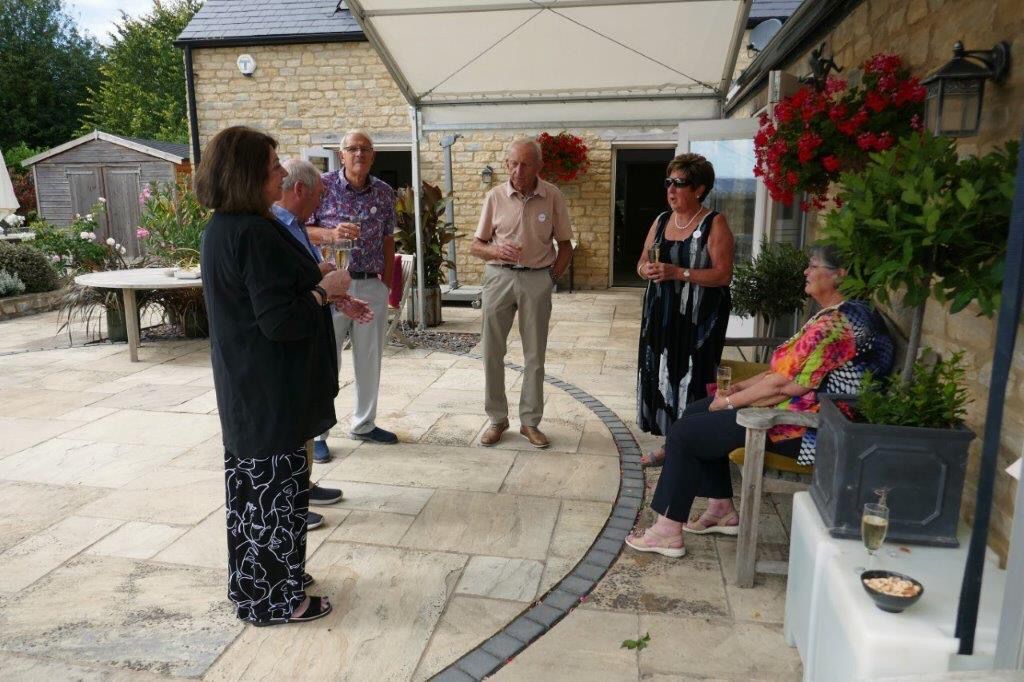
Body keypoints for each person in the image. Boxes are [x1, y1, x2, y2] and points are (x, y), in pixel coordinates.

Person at [198, 126, 372, 626]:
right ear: (250, 173)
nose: (281, 171)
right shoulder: (251, 232)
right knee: (273, 498)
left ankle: (261, 583)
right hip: (269, 391)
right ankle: (279, 601)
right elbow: (279, 320)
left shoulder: (229, 227)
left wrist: (327, 291)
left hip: (252, 389)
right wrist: (327, 290)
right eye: (274, 164)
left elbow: (272, 294)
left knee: (255, 500)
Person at [626, 245, 894, 557]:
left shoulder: (839, 325)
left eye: (813, 266)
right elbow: (781, 372)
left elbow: (786, 386)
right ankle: (721, 509)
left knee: (688, 433)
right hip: (798, 410)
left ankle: (667, 531)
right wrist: (737, 389)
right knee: (698, 409)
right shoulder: (837, 315)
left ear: (840, 275)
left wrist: (730, 403)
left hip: (810, 428)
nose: (806, 272)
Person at [471, 137, 573, 449]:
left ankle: (530, 422)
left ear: (539, 166)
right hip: (499, 277)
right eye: (513, 163)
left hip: (536, 279)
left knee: (534, 355)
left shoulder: (552, 196)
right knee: (491, 351)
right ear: (506, 165)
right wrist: (493, 249)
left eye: (525, 163)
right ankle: (497, 419)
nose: (518, 170)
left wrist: (550, 278)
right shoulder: (495, 197)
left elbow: (565, 245)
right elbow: (476, 246)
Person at [636, 153, 734, 468]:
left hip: (698, 319)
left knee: (694, 378)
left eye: (680, 183)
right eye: (669, 182)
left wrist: (678, 273)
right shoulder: (662, 220)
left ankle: (695, 446)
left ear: (699, 189)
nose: (672, 189)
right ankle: (670, 444)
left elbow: (723, 275)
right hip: (661, 314)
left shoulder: (714, 223)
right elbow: (641, 264)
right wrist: (646, 272)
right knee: (664, 374)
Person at [307, 129, 398, 458]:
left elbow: (389, 240)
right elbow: (301, 229)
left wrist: (386, 284)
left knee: (369, 357)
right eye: (352, 149)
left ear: (373, 156)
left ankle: (364, 424)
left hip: (369, 282)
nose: (359, 154)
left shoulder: (385, 192)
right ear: (341, 154)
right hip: (331, 285)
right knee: (325, 360)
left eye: (365, 149)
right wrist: (330, 234)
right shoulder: (324, 186)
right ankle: (317, 434)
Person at [272, 158, 350, 531]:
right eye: (318, 194)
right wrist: (322, 286)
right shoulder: (275, 227)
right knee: (295, 423)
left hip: (309, 328)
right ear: (299, 189)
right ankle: (293, 499)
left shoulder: (296, 225)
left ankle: (303, 485)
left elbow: (299, 274)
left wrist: (322, 277)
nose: (320, 202)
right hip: (292, 336)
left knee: (307, 415)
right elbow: (282, 290)